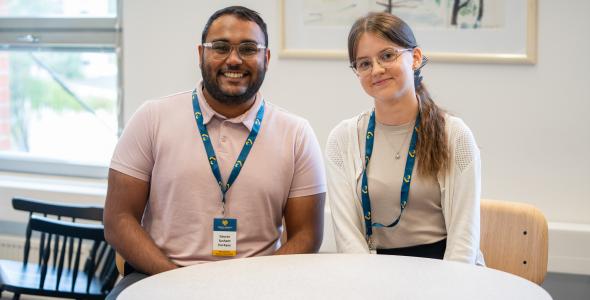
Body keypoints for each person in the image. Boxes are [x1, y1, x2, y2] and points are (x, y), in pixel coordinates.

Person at [104, 6, 326, 298]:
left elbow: (306, 235)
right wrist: (178, 282)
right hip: (158, 276)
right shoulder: (152, 118)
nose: (234, 59)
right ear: (201, 55)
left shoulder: (296, 134)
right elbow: (118, 220)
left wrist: (251, 287)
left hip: (258, 286)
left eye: (249, 48)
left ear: (266, 58)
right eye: (220, 47)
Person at [325, 12, 483, 264]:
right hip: (373, 275)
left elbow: (464, 242)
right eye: (364, 63)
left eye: (387, 55)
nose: (376, 69)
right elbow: (348, 240)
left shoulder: (454, 135)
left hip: (447, 273)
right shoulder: (342, 140)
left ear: (415, 58)